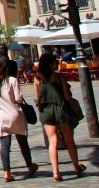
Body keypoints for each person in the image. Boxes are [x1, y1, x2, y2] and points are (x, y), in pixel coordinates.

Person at [34, 53, 85, 181]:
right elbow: (67, 97)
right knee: (69, 140)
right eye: (55, 62)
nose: (57, 64)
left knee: (52, 141)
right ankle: (76, 166)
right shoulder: (59, 76)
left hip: (46, 111)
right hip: (61, 109)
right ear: (50, 64)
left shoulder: (37, 78)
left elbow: (36, 98)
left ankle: (56, 172)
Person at [0, 57, 37, 181]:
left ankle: (7, 172)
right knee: (23, 142)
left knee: (4, 145)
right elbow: (19, 99)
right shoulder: (12, 80)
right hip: (15, 114)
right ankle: (30, 165)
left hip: (0, 116)